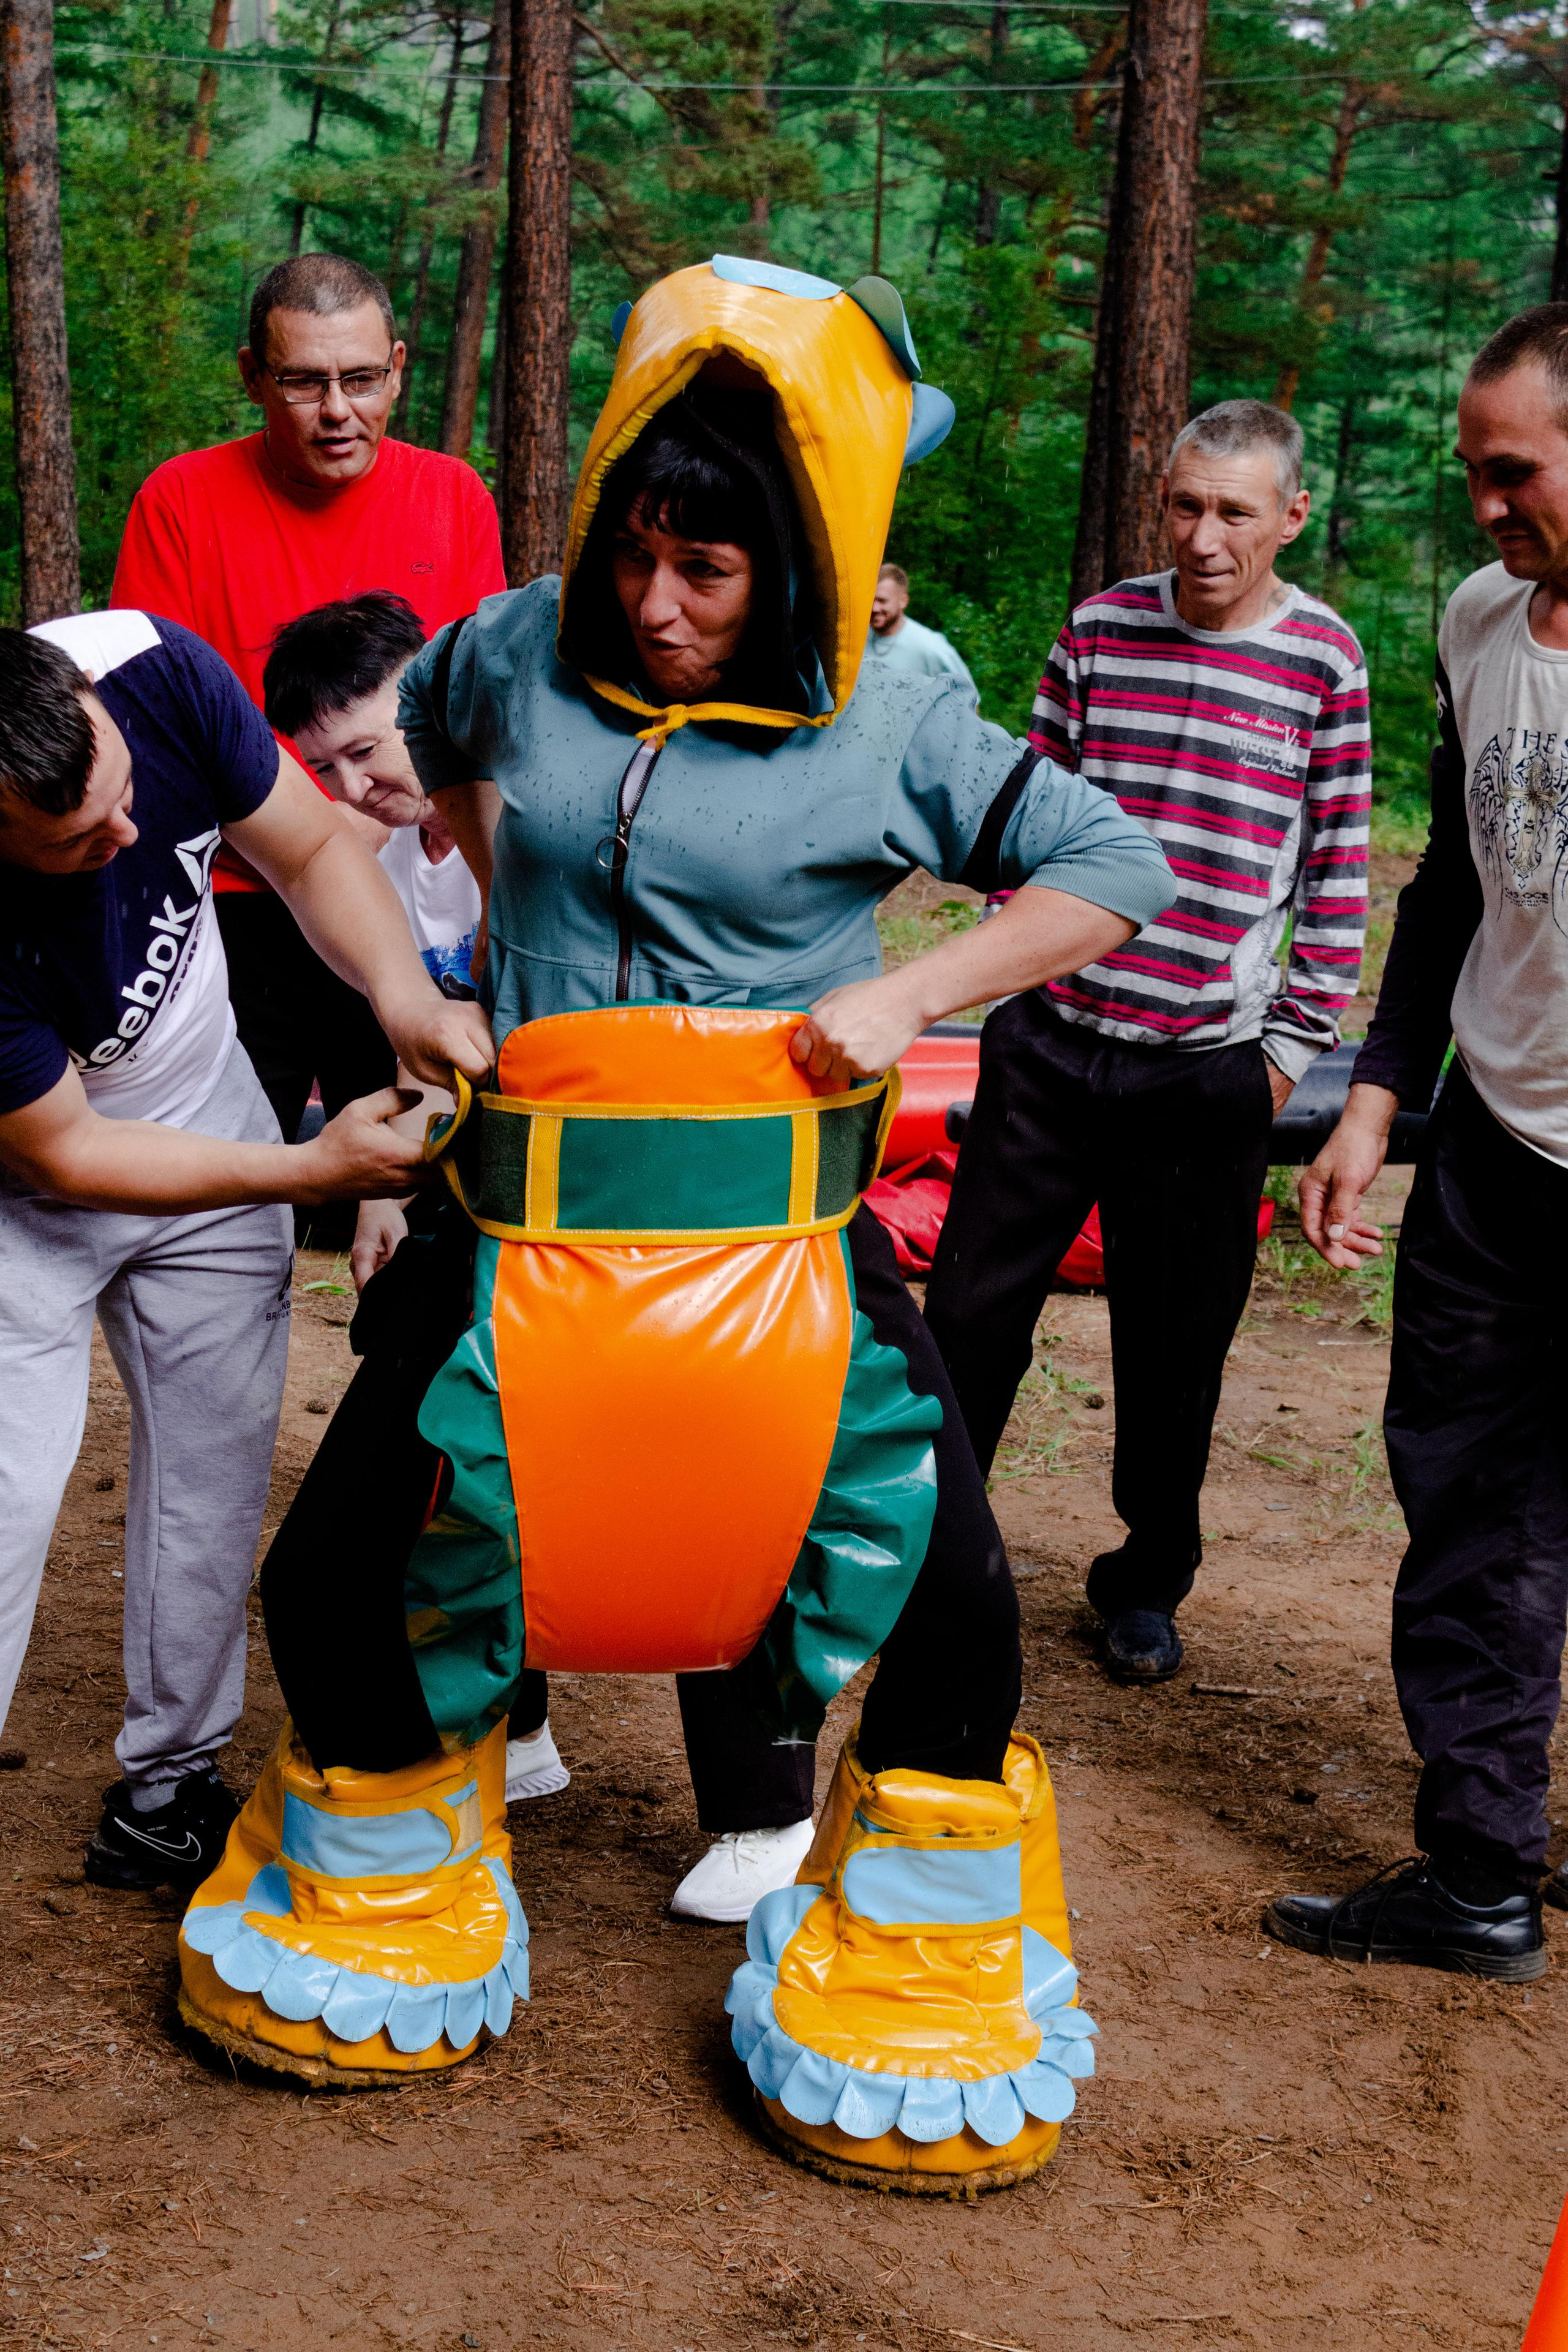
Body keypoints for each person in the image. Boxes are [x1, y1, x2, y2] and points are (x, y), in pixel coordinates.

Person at [175, 255, 1174, 2193]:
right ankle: (391, 1863)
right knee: (333, 1576)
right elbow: (449, 756)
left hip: (778, 1254)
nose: (658, 600)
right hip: (522, 1222)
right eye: (639, 551)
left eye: (710, 571)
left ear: (796, 557)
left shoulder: (890, 706)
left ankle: (919, 1929)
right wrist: (450, 971)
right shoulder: (518, 641)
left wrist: (907, 997)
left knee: (949, 1605)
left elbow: (1106, 863)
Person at [0, 614, 492, 1893]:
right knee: (3, 1505)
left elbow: (315, 851)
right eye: (74, 843)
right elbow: (63, 1155)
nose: (128, 843)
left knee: (213, 1476)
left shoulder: (152, 668)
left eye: (123, 797)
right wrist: (308, 1172)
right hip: (22, 1185)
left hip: (199, 1096)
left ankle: (169, 1788)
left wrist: (402, 1000)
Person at [925, 398, 1370, 1684]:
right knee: (963, 1322)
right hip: (1053, 1048)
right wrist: (1020, 965)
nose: (1203, 537)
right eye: (1183, 505)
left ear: (1289, 516)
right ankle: (924, 1557)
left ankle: (1142, 1583)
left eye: (1234, 511)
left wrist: (1281, 1056)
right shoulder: (1100, 630)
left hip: (1203, 1068)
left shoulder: (1323, 663)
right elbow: (1027, 810)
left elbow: (1336, 874)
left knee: (1174, 1349)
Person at [1267, 306, 1568, 1983]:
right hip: (1498, 1153)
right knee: (1472, 1504)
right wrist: (1381, 1085)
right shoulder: (1478, 622)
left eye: (1511, 471)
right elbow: (1457, 880)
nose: (1484, 507)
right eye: (1474, 472)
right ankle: (1479, 1866)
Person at [262, 590, 569, 1809]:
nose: (354, 785)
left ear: (434, 705)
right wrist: (389, 1196)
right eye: (323, 766)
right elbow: (409, 1034)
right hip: (466, 1173)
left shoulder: (533, 819)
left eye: (370, 747)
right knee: (451, 1439)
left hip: (574, 1180)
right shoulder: (378, 853)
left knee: (543, 1449)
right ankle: (516, 1720)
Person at [110, 251, 507, 1155]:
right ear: (253, 376)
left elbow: (479, 705)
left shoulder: (451, 496)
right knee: (241, 1175)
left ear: (399, 368)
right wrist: (321, 838)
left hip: (415, 900)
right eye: (303, 381)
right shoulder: (180, 501)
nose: (338, 410)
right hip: (237, 902)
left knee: (429, 1169)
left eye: (362, 379)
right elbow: (156, 734)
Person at [865, 561, 977, 701]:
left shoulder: (930, 647)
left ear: (903, 601)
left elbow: (970, 700)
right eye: (870, 600)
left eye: (882, 601)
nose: (874, 608)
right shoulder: (856, 640)